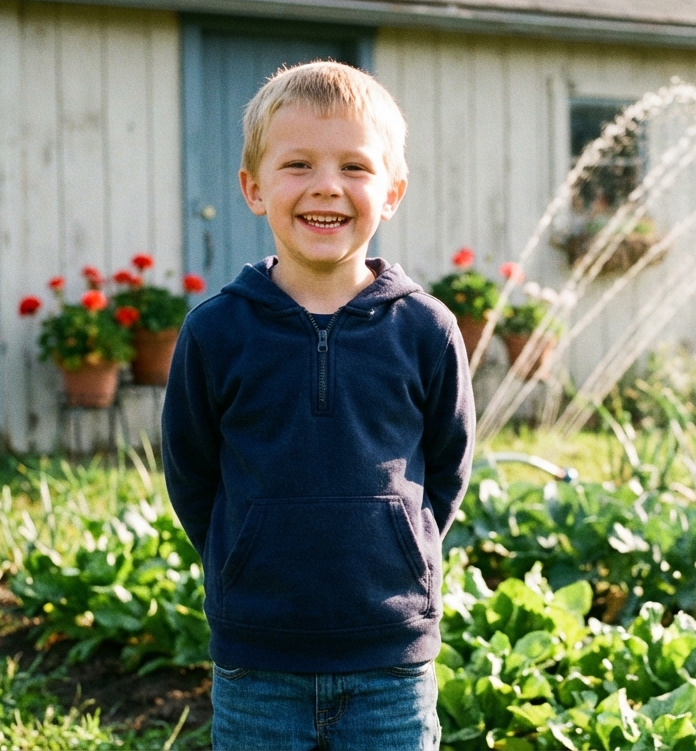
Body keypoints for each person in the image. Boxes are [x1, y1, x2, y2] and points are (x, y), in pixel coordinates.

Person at [161, 60, 473, 751]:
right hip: (258, 659)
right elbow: (192, 474)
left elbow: (447, 471)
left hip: (390, 660)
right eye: (298, 164)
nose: (327, 186)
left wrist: (400, 551)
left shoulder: (426, 329)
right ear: (253, 188)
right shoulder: (216, 331)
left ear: (392, 191)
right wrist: (241, 558)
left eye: (354, 167)